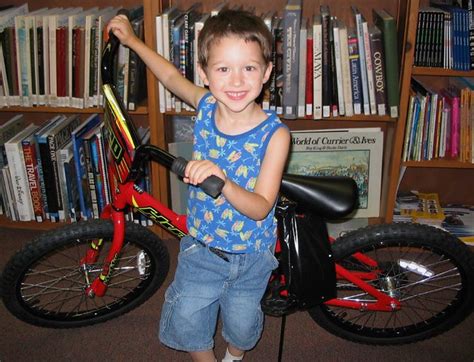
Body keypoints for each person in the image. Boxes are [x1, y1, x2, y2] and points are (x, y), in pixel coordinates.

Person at [108, 9, 290, 362]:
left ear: (266, 72)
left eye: (249, 68)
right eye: (223, 69)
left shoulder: (276, 135)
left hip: (250, 255)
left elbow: (261, 206)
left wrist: (222, 182)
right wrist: (131, 41)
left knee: (241, 324)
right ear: (205, 74)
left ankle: (235, 356)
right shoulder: (206, 107)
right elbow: (171, 77)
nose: (236, 81)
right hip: (202, 246)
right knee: (189, 318)